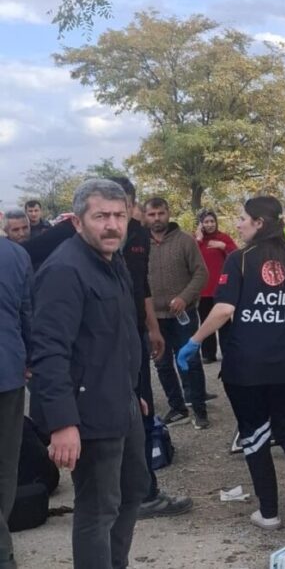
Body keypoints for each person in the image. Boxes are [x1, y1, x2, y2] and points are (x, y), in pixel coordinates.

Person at [179, 196, 285, 535]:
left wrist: (193, 341)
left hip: (247, 368)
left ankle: (269, 512)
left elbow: (222, 310)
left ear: (260, 222)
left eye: (244, 218)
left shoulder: (240, 260)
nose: (238, 224)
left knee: (255, 435)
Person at [28, 179, 148, 569]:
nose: (112, 225)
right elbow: (48, 352)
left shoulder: (113, 263)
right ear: (78, 222)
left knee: (133, 492)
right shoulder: (65, 270)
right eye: (101, 216)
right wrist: (63, 423)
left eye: (119, 216)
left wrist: (135, 390)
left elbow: (121, 336)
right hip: (87, 412)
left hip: (123, 403)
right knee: (98, 509)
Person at [105, 179, 193, 520]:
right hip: (101, 343)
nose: (115, 217)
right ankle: (112, 493)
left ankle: (145, 492)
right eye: (106, 209)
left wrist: (153, 328)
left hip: (135, 335)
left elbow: (140, 285)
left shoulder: (139, 235)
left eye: (122, 205)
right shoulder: (77, 240)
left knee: (142, 410)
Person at [144, 198, 210, 429]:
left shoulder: (185, 241)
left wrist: (184, 297)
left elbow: (201, 274)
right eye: (151, 214)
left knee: (189, 361)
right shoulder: (139, 244)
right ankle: (177, 406)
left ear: (168, 213)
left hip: (184, 314)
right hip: (154, 318)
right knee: (162, 364)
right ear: (145, 216)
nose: (157, 219)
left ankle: (199, 409)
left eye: (160, 213)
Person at [0, 233, 33, 569]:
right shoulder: (16, 254)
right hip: (8, 366)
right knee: (6, 464)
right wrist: (29, 357)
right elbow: (28, 311)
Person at [194, 209, 237, 364]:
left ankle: (228, 351)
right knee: (206, 322)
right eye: (206, 222)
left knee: (225, 322)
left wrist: (223, 246)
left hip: (221, 288)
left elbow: (237, 255)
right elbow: (189, 257)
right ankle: (208, 353)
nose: (210, 224)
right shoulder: (195, 240)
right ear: (201, 224)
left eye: (212, 221)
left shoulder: (223, 238)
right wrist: (198, 239)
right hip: (203, 290)